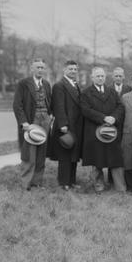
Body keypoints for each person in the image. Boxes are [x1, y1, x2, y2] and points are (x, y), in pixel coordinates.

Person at [81, 67, 126, 193]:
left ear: (105, 78)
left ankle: (120, 186)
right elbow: (86, 110)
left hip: (112, 131)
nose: (100, 78)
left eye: (102, 76)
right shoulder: (86, 93)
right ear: (92, 78)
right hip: (94, 131)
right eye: (98, 76)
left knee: (116, 159)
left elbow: (120, 107)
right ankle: (98, 185)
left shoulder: (112, 92)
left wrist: (114, 118)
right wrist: (103, 118)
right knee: (97, 159)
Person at [13, 58, 52, 190]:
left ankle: (37, 182)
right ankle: (26, 184)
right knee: (29, 153)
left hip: (45, 119)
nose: (40, 70)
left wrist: (50, 116)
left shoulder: (46, 84)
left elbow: (49, 102)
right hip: (31, 120)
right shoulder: (23, 83)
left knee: (41, 152)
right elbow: (17, 105)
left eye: (42, 67)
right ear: (32, 69)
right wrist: (23, 122)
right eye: (37, 67)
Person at [48, 60, 84, 191]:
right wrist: (63, 124)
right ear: (64, 70)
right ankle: (64, 183)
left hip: (76, 125)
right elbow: (58, 106)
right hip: (66, 126)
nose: (73, 71)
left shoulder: (76, 85)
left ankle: (72, 181)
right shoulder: (59, 85)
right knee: (65, 155)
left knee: (73, 155)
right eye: (70, 69)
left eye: (75, 69)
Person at [107, 67, 132, 185]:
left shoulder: (129, 89)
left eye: (120, 76)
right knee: (111, 152)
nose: (118, 78)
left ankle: (125, 180)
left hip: (126, 124)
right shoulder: (107, 89)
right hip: (112, 124)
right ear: (113, 77)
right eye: (116, 76)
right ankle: (111, 180)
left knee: (124, 153)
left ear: (124, 77)